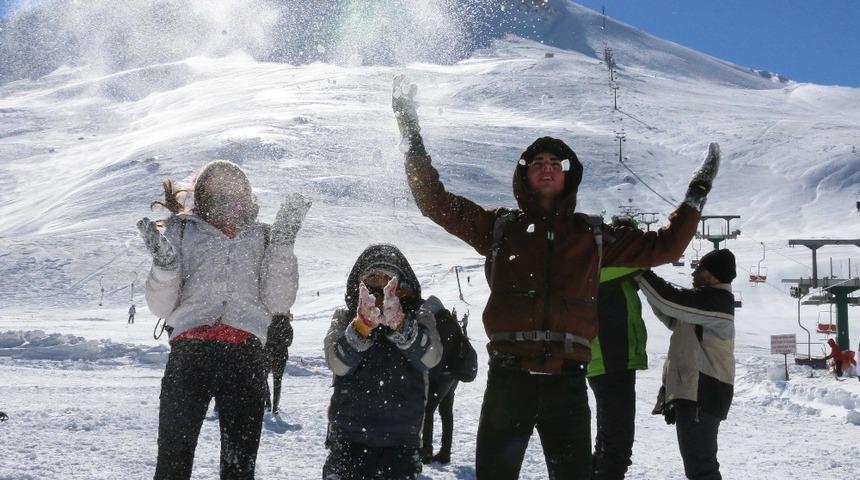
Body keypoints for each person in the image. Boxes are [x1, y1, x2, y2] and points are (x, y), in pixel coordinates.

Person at [392, 75, 719, 479]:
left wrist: (697, 192)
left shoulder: (592, 237)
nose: (546, 169)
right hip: (509, 378)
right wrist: (410, 130)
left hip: (567, 383)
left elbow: (666, 246)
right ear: (524, 174)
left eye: (555, 164)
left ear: (568, 175)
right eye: (537, 164)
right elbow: (433, 201)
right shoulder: (499, 228)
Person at [139, 160, 309, 480]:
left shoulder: (262, 237)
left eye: (233, 190)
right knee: (173, 464)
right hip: (190, 355)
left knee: (239, 469)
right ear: (203, 195)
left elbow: (278, 302)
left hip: (244, 358)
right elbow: (162, 306)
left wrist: (283, 246)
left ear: (245, 194)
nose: (226, 198)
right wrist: (164, 268)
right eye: (216, 192)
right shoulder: (183, 231)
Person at [323, 244, 442, 480]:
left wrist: (401, 327)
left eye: (387, 277)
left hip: (400, 442)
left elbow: (431, 357)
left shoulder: (419, 316)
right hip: (348, 439)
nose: (380, 283)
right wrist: (360, 329)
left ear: (401, 283)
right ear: (360, 284)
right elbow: (336, 363)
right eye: (372, 277)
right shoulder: (345, 318)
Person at [637, 249, 737, 480]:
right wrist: (643, 281)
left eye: (700, 269)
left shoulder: (716, 301)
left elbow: (671, 301)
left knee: (701, 468)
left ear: (714, 276)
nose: (694, 273)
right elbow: (669, 312)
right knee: (699, 466)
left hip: (703, 394)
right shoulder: (705, 302)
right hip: (698, 394)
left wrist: (641, 272)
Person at [587, 229, 647, 480]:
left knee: (609, 440)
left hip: (613, 360)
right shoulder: (602, 265)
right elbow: (643, 259)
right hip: (611, 360)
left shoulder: (614, 269)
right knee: (617, 444)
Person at [420, 298, 477, 465]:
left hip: (443, 375)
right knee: (446, 412)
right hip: (453, 375)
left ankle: (426, 452)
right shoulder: (451, 321)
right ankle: (445, 452)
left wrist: (433, 380)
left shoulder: (442, 324)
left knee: (428, 410)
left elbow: (440, 357)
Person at [265, 312, 294, 415]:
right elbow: (289, 342)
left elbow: (264, 338)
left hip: (268, 354)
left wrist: (272, 342)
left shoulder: (268, 321)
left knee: (264, 378)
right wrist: (280, 342)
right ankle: (275, 407)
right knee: (277, 381)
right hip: (281, 355)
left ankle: (268, 403)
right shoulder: (286, 324)